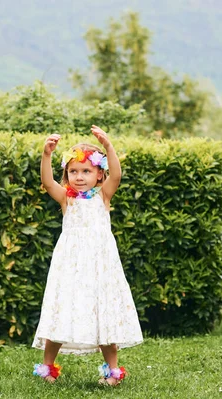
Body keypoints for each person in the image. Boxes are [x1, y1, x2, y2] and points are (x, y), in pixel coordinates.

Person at [31, 125, 143, 386]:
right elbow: (47, 182)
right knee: (62, 308)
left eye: (86, 171)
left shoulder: (103, 196)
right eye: (73, 171)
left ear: (99, 174)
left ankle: (112, 373)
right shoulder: (66, 198)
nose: (79, 177)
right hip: (70, 265)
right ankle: (47, 369)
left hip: (100, 266)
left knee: (104, 312)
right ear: (67, 174)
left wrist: (108, 147)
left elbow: (117, 174)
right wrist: (46, 155)